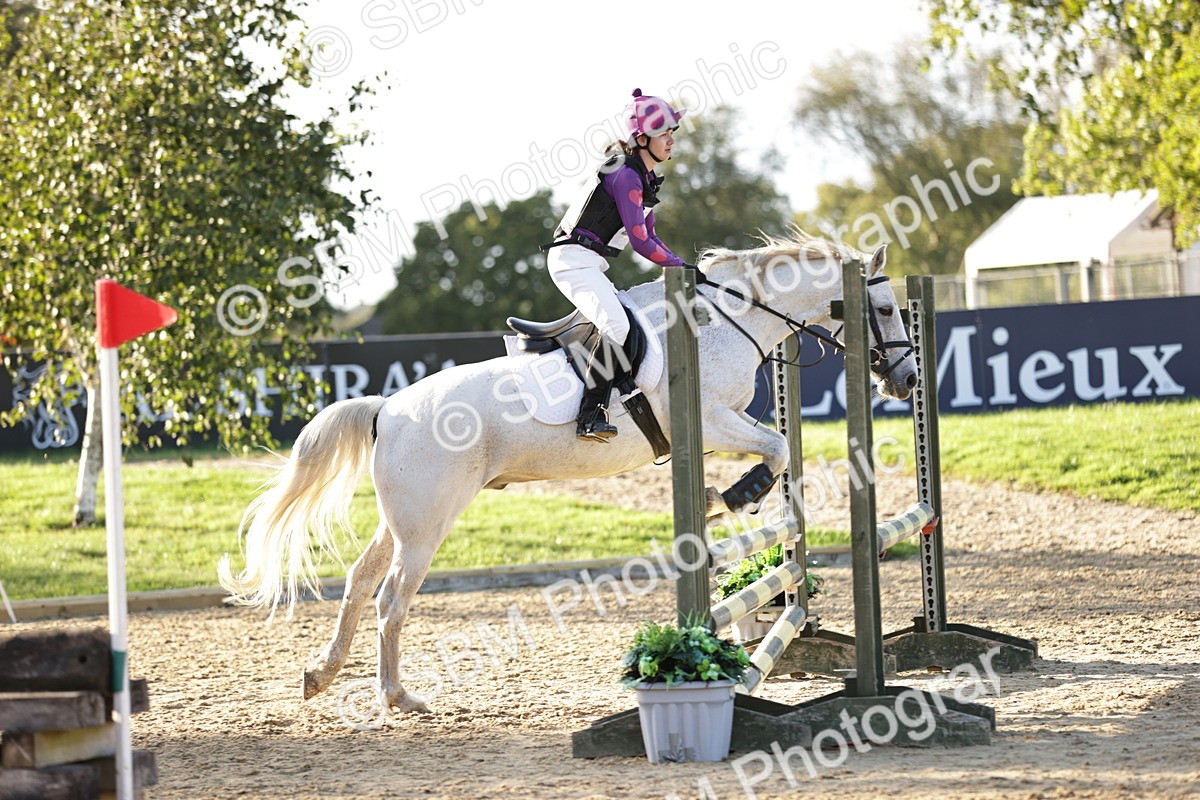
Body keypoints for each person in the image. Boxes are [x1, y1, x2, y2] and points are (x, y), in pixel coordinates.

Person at [541, 88, 693, 442]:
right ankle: (589, 416)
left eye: (673, 132)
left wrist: (683, 265)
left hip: (588, 263)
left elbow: (651, 236)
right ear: (642, 139)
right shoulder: (625, 175)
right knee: (618, 325)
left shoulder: (643, 177)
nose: (671, 140)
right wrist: (679, 267)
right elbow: (640, 242)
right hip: (572, 261)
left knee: (628, 324)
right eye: (664, 133)